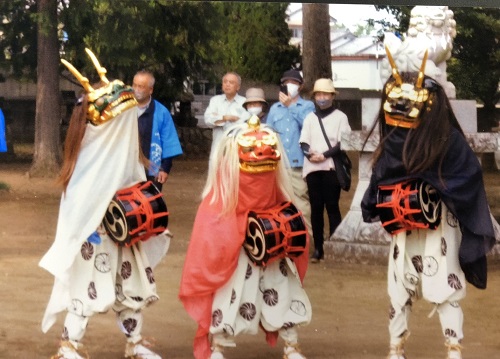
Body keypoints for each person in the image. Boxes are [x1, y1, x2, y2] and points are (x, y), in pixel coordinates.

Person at [360, 49, 496, 359]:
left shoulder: (446, 139)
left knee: (445, 288)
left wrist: (435, 189)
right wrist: (382, 201)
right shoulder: (392, 139)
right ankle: (395, 349)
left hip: (439, 228)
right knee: (398, 289)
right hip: (403, 229)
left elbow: (470, 173)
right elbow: (380, 179)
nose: (402, 108)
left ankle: (454, 349)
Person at [40, 51, 169, 359]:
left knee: (132, 285)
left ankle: (134, 342)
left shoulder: (125, 154)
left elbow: (136, 186)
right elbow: (78, 204)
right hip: (94, 236)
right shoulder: (89, 157)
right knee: (88, 286)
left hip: (126, 232)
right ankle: (68, 345)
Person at [179, 116, 311, 359]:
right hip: (235, 257)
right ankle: (219, 344)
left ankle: (291, 345)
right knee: (227, 292)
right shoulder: (217, 202)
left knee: (282, 290)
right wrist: (235, 234)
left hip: (272, 242)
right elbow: (208, 241)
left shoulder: (279, 195)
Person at [299, 78, 351, 262]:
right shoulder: (310, 118)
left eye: (325, 94)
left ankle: (335, 245)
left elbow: (343, 141)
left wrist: (325, 155)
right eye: (319, 94)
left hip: (330, 168)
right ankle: (319, 248)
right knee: (315, 209)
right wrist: (309, 154)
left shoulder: (341, 117)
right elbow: (304, 141)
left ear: (332, 96)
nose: (322, 97)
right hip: (313, 168)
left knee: (332, 206)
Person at [266, 69, 315, 242]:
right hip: (278, 163)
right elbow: (269, 132)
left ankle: (307, 239)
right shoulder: (274, 108)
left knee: (301, 201)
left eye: (293, 83)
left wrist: (291, 106)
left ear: (300, 87)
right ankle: (285, 238)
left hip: (297, 162)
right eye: (286, 82)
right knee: (278, 202)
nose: (289, 86)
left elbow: (310, 125)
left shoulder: (307, 106)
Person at [133, 69, 183, 191]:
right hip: (125, 171)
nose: (136, 89)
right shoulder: (123, 110)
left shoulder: (161, 112)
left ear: (150, 90)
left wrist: (165, 169)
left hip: (151, 170)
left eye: (141, 86)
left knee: (149, 205)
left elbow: (169, 141)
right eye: (134, 85)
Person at [204, 72, 249, 157]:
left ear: (238, 87)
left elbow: (244, 125)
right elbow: (208, 121)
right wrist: (225, 118)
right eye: (225, 82)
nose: (227, 84)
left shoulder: (244, 102)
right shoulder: (215, 101)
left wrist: (217, 118)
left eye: (231, 82)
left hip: (238, 148)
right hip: (218, 148)